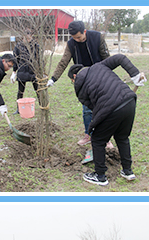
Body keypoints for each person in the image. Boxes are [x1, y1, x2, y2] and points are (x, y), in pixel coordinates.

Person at [68, 53, 145, 186]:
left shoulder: (79, 90)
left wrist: (94, 128)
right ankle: (128, 171)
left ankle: (100, 176)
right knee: (122, 137)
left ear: (74, 77)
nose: (73, 83)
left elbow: (95, 109)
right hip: (129, 100)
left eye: (72, 81)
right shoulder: (99, 66)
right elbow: (120, 58)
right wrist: (135, 74)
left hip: (111, 108)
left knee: (98, 140)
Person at [47, 20, 111, 161]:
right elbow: (64, 61)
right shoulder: (71, 44)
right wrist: (53, 78)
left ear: (84, 31)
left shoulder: (97, 37)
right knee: (87, 110)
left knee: (103, 109)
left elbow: (107, 58)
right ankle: (88, 134)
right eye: (74, 38)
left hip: (100, 77)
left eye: (79, 37)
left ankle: (106, 138)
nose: (77, 40)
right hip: (84, 80)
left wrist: (109, 77)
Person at [11, 31, 41, 113]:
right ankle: (18, 109)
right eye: (26, 38)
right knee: (20, 91)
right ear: (23, 37)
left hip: (33, 71)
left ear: (31, 37)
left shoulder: (36, 46)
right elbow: (15, 59)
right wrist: (14, 71)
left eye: (29, 38)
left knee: (38, 90)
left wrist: (41, 71)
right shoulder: (18, 46)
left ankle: (42, 106)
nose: (27, 40)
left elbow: (39, 59)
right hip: (22, 71)